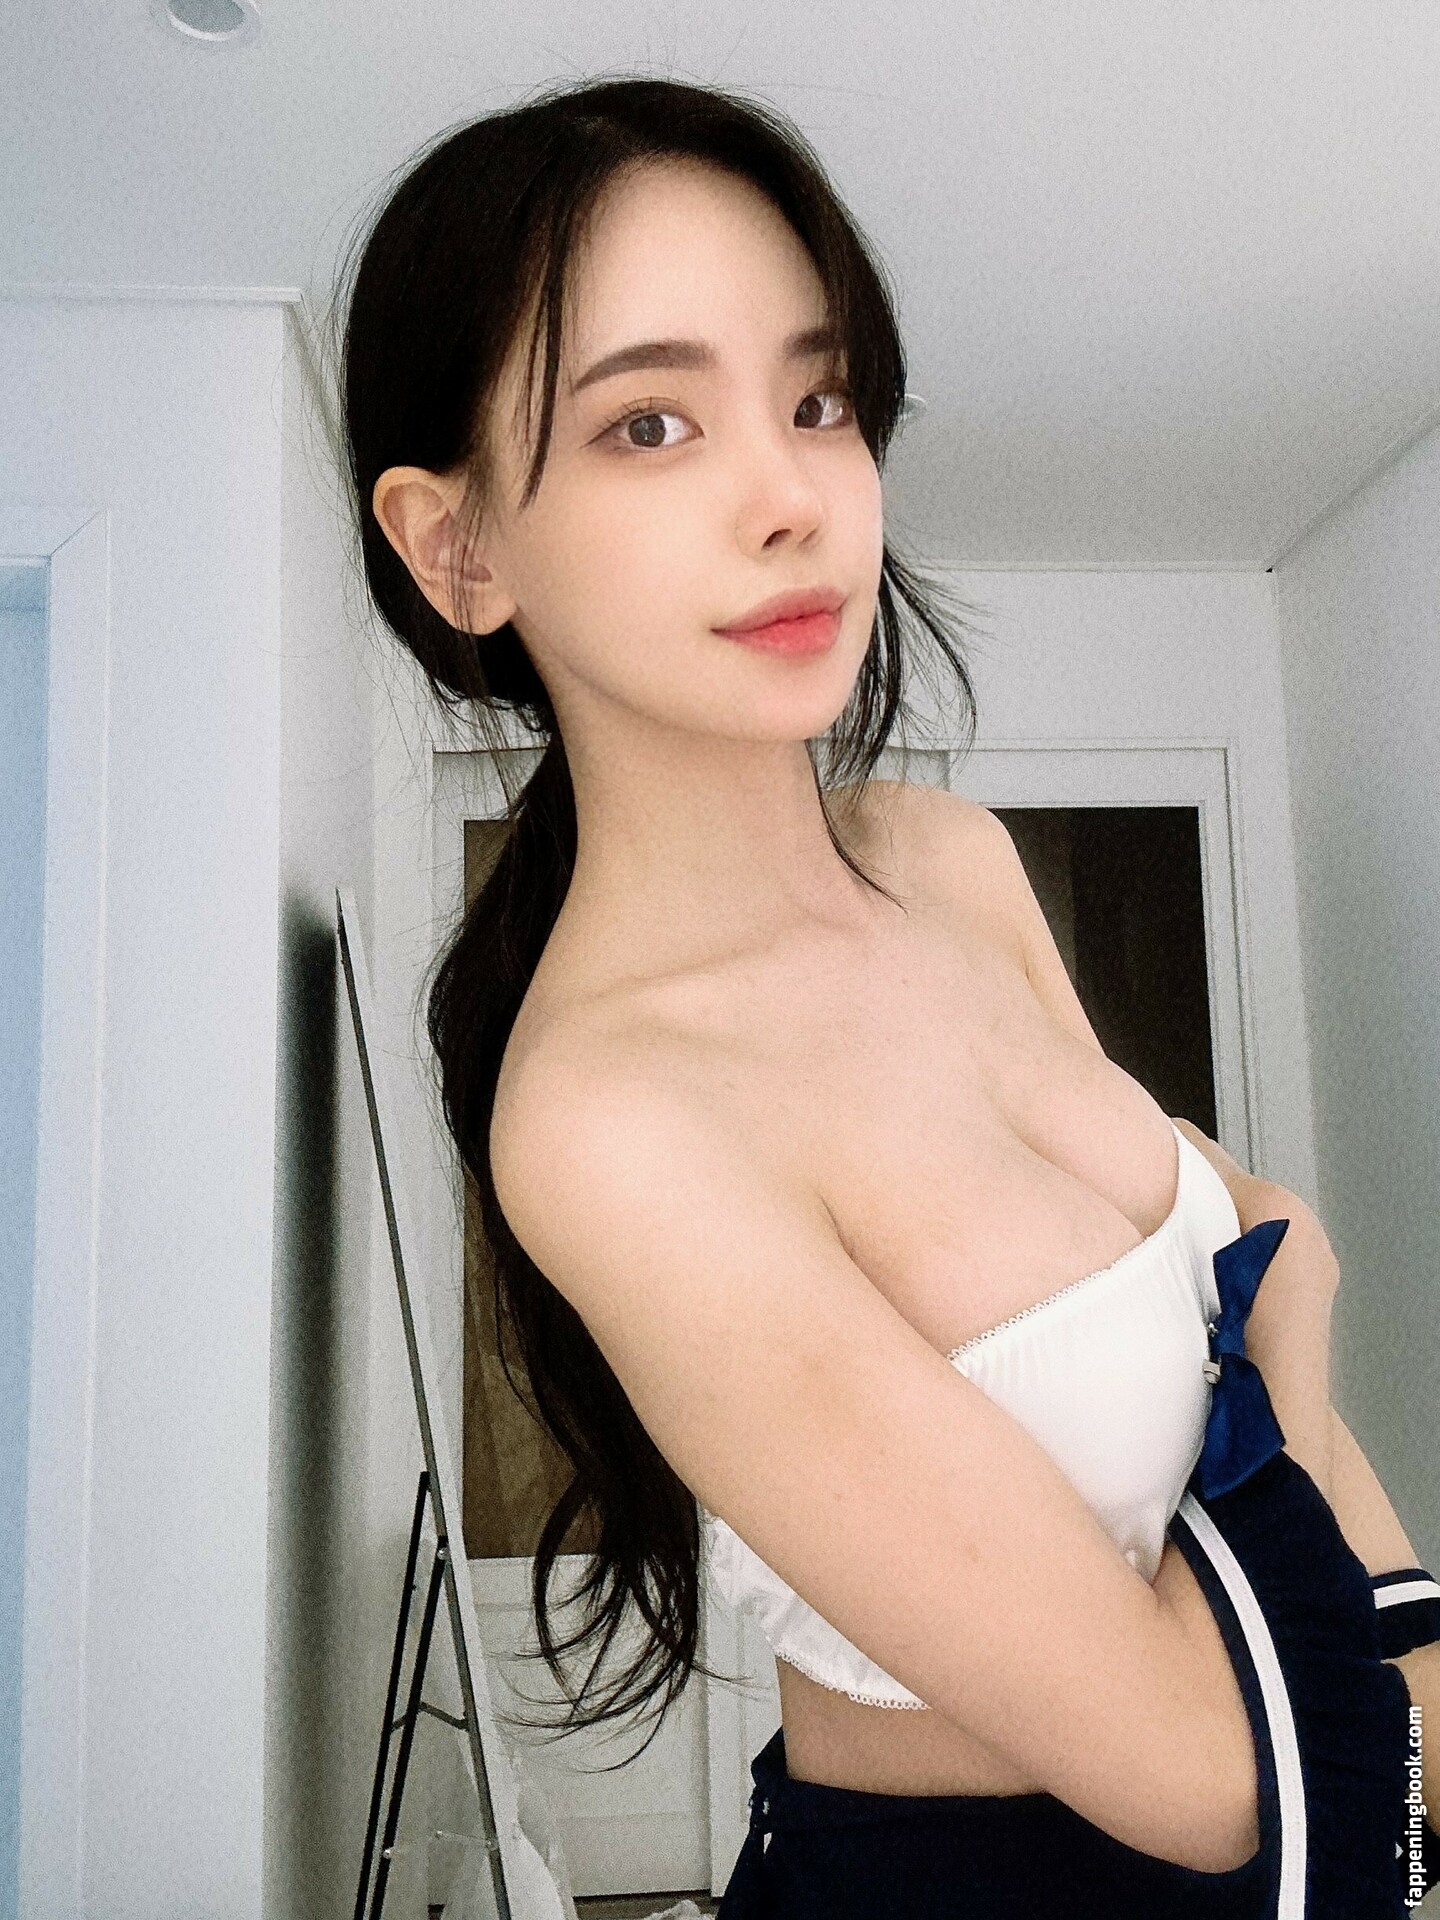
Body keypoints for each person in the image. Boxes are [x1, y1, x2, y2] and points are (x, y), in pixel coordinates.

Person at [332, 73, 1440, 1914]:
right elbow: (1203, 1776)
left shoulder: (943, 858)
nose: (792, 498)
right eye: (651, 424)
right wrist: (1290, 1329)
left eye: (820, 400)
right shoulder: (613, 1120)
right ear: (460, 549)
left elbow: (1270, 1415)